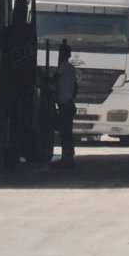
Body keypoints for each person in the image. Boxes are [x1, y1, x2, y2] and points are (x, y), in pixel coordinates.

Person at [54, 40, 77, 168]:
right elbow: (75, 86)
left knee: (65, 132)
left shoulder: (62, 67)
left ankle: (66, 158)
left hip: (65, 104)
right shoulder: (72, 68)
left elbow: (53, 80)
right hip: (69, 103)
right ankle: (69, 157)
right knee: (67, 131)